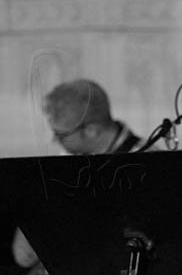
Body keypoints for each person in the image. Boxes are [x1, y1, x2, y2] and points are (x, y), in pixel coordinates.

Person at [12, 79, 155, 274]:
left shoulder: (151, 166)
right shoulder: (71, 163)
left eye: (61, 135)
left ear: (91, 131)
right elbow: (23, 255)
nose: (55, 140)